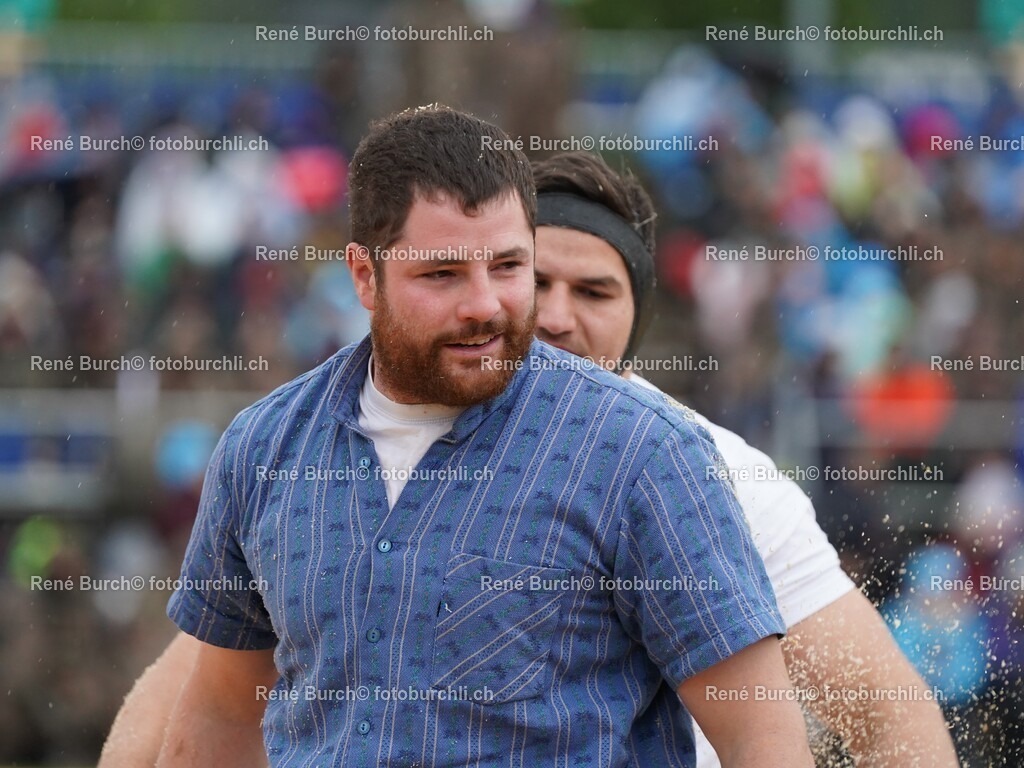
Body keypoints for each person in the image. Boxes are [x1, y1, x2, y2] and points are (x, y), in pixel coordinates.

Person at [142, 106, 812, 767]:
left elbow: (762, 735)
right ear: (363, 276)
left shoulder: (643, 452)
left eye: (509, 266)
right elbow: (223, 713)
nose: (486, 305)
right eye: (444, 274)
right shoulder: (264, 448)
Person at [530, 151, 959, 766]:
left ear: (638, 318)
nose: (556, 317)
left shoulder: (728, 477)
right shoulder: (397, 440)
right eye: (537, 283)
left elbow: (888, 717)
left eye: (594, 292)